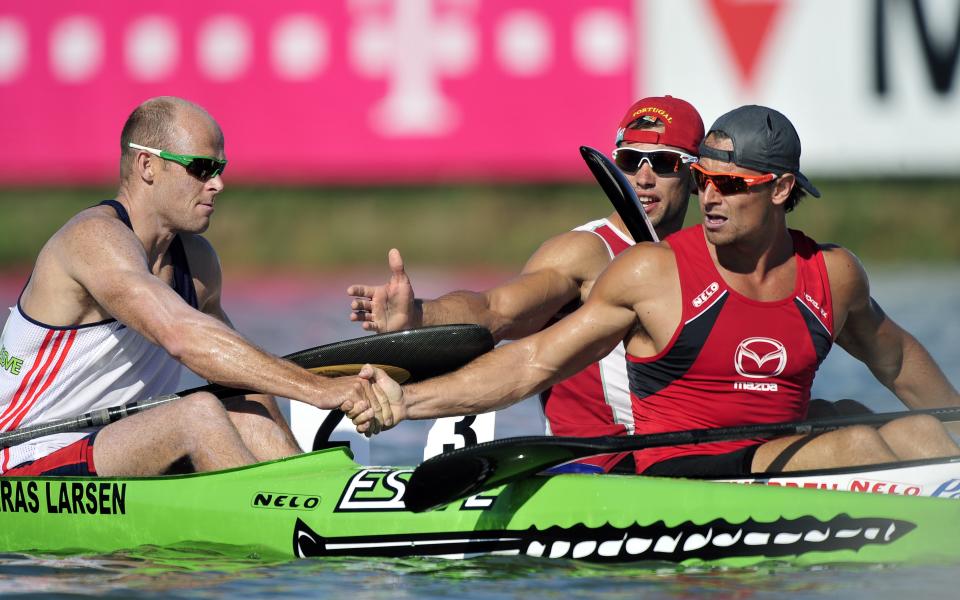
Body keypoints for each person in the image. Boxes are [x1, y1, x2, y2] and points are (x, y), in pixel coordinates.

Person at [351, 105, 960, 476]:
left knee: (920, 434)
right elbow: (531, 359)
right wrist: (409, 401)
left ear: (779, 191)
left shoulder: (834, 274)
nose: (711, 196)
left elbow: (898, 359)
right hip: (685, 470)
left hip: (777, 452)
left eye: (728, 181)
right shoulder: (651, 271)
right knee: (854, 441)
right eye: (704, 179)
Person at [0, 96, 394, 477]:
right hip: (24, 459)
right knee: (197, 414)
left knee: (243, 402)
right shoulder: (92, 240)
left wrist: (303, 449)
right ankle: (274, 519)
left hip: (112, 451)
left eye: (220, 167)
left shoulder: (198, 263)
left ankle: (310, 495)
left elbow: (236, 371)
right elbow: (182, 336)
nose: (218, 183)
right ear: (148, 166)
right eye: (201, 168)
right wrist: (317, 390)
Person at [347, 96, 705, 471]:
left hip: (676, 460)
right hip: (594, 469)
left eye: (665, 162)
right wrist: (421, 314)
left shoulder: (702, 259)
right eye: (630, 161)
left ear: (695, 177)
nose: (643, 178)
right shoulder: (586, 252)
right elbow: (496, 310)